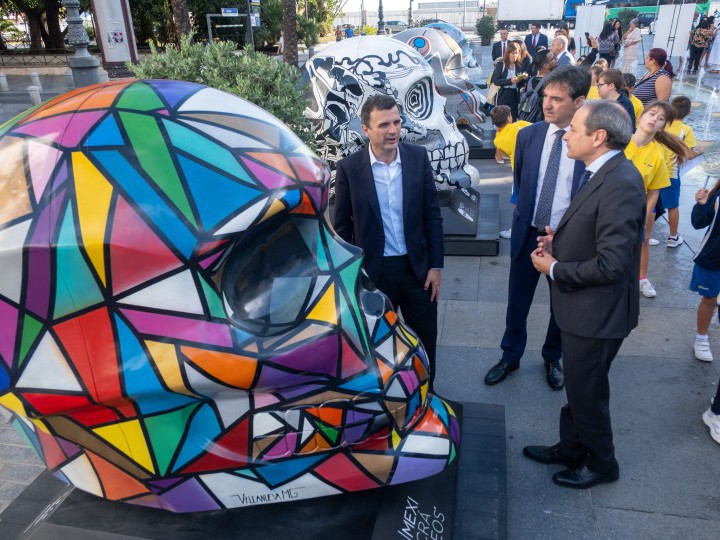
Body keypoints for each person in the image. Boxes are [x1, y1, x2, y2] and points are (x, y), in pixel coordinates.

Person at [525, 100, 646, 489]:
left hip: (598, 316)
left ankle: (603, 465)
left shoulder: (621, 182)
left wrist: (554, 269)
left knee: (588, 393)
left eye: (574, 129)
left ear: (598, 137)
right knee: (580, 386)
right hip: (584, 312)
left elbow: (613, 264)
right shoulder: (602, 171)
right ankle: (571, 448)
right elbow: (594, 232)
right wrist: (559, 241)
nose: (566, 135)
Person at [483, 66, 589, 390]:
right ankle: (510, 356)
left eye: (557, 98)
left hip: (567, 241)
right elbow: (521, 182)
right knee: (517, 302)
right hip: (528, 233)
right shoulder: (528, 135)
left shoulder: (589, 142)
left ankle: (551, 357)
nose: (547, 104)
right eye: (545, 96)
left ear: (579, 102)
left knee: (561, 306)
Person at [333, 95, 444, 388]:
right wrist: (353, 277)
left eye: (396, 122)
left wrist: (435, 266)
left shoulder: (417, 158)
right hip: (374, 274)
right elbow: (342, 228)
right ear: (365, 129)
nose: (393, 130)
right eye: (384, 125)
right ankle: (390, 401)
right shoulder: (349, 169)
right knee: (379, 344)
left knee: (425, 340)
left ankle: (427, 394)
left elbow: (432, 215)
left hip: (417, 270)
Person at [624, 101, 688, 298]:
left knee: (642, 241)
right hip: (612, 204)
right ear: (640, 117)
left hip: (640, 206)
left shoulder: (657, 154)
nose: (654, 120)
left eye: (661, 118)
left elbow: (654, 192)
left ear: (664, 126)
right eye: (651, 114)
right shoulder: (621, 141)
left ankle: (642, 278)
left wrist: (644, 216)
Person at [658, 96, 703, 248]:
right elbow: (688, 154)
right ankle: (672, 237)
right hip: (670, 173)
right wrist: (699, 150)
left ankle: (645, 233)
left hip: (655, 170)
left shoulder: (662, 124)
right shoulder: (686, 130)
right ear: (688, 112)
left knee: (650, 203)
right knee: (672, 206)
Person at [689, 178, 720, 363]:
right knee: (709, 299)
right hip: (714, 257)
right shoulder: (716, 195)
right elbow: (698, 223)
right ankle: (701, 338)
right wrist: (701, 204)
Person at [492, 105, 532, 239]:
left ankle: (515, 229)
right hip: (536, 167)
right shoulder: (521, 125)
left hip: (519, 172)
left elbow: (500, 156)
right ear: (509, 118)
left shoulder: (498, 140)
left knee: (517, 202)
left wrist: (498, 132)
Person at [518, 49, 557, 123]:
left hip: (530, 121)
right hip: (545, 121)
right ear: (546, 65)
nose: (556, 59)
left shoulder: (530, 81)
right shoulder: (552, 81)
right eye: (553, 58)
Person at [491, 42, 526, 120]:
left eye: (516, 53)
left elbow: (520, 84)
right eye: (512, 53)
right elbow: (496, 81)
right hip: (503, 94)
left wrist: (523, 79)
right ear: (508, 54)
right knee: (502, 119)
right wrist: (510, 81)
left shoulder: (519, 66)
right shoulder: (501, 64)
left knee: (513, 118)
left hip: (514, 96)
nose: (515, 56)